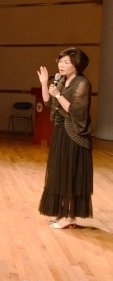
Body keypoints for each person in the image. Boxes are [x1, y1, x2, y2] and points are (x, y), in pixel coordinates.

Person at [36, 48, 93, 229]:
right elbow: (48, 102)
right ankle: (63, 214)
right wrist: (45, 83)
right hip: (60, 132)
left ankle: (69, 217)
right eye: (60, 61)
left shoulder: (82, 83)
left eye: (66, 62)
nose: (61, 65)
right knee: (60, 174)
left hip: (74, 135)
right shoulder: (62, 80)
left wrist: (58, 95)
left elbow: (75, 111)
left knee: (70, 175)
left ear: (77, 65)